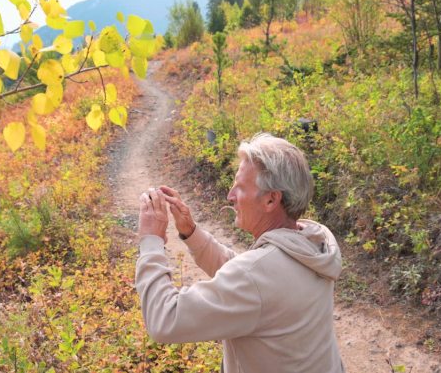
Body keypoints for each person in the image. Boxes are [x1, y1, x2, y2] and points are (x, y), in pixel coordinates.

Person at [135, 133, 344, 373]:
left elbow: (164, 320)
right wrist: (191, 232)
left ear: (271, 200)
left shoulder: (256, 275)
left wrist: (151, 241)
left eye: (240, 187)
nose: (230, 195)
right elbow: (254, 279)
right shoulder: (312, 242)